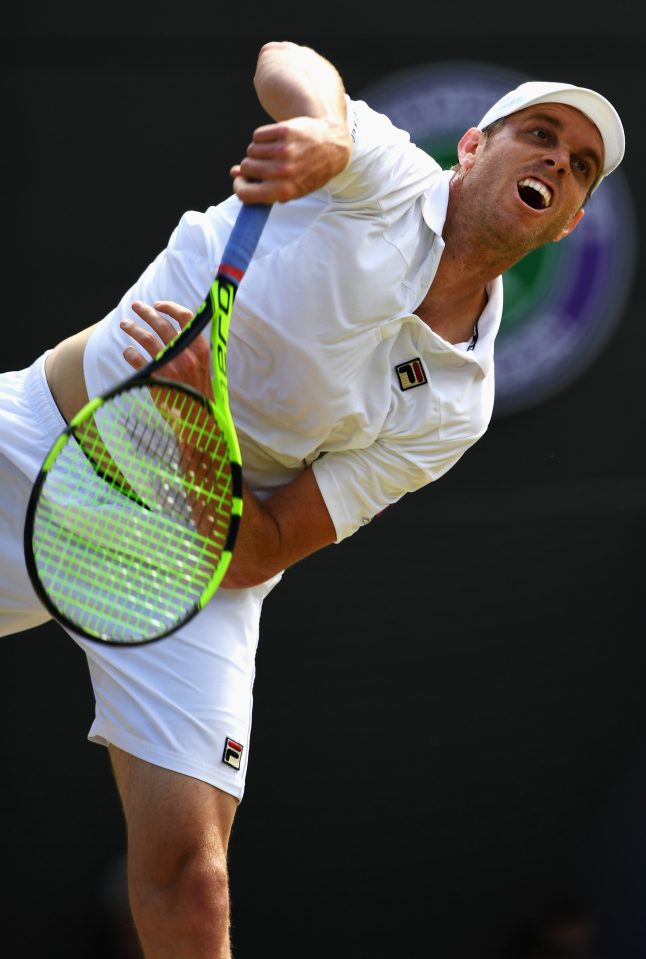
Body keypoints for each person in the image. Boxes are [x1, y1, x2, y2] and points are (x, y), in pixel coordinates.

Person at [1, 40, 625, 959]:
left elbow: (266, 546)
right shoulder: (377, 167)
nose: (556, 164)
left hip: (195, 560)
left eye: (579, 169)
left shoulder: (461, 400)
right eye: (540, 135)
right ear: (474, 148)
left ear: (570, 220)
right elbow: (284, 58)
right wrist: (325, 137)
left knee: (193, 880)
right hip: (42, 439)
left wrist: (185, 429)